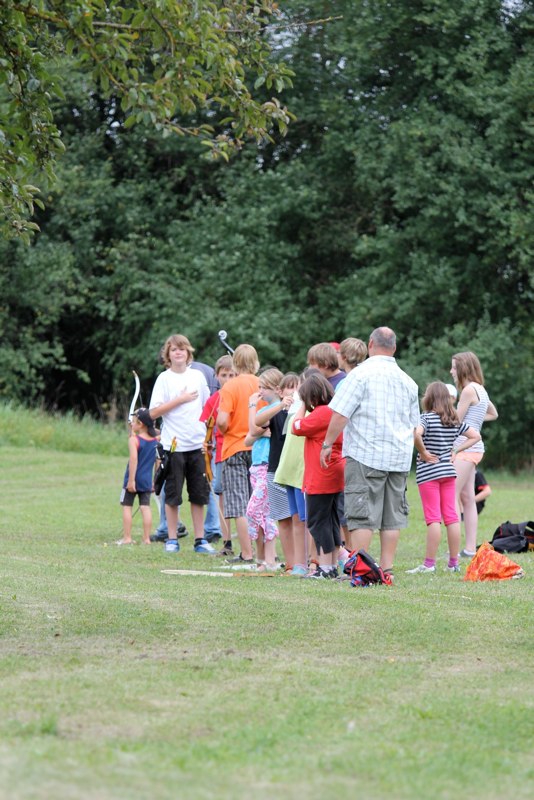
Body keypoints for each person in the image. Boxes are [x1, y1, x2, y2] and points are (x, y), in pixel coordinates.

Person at [320, 327, 419, 578]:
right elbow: (415, 425)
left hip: (366, 454)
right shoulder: (408, 381)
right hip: (398, 457)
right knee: (392, 517)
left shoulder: (359, 375)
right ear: (394, 347)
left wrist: (327, 443)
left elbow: (341, 413)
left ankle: (361, 570)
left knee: (361, 515)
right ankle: (387, 569)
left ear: (370, 344)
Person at [149, 334, 215, 554]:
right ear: (168, 354)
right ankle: (171, 539)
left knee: (199, 495)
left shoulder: (197, 376)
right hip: (173, 446)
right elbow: (153, 412)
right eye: (174, 349)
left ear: (188, 353)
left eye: (182, 349)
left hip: (197, 444)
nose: (178, 353)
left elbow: (207, 408)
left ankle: (200, 540)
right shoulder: (164, 379)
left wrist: (209, 437)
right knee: (172, 495)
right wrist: (180, 399)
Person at [406, 382, 481, 574]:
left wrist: (423, 452)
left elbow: (416, 434)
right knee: (452, 517)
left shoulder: (426, 418)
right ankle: (453, 564)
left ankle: (429, 564)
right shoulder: (452, 420)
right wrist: (456, 450)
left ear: (429, 398)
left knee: (433, 519)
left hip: (429, 474)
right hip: (448, 472)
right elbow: (475, 436)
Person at [292, 374, 345, 578]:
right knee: (331, 521)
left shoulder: (321, 413)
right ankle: (331, 565)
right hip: (334, 474)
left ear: (311, 397)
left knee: (318, 522)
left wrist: (302, 406)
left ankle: (324, 568)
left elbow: (296, 427)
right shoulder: (334, 411)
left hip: (321, 476)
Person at [450, 351, 498, 557]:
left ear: (463, 368)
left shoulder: (468, 390)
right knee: (468, 498)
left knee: (451, 496)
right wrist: (474, 421)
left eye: (454, 367)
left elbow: (455, 421)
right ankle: (469, 549)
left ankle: (453, 553)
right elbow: (493, 413)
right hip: (474, 449)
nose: (451, 371)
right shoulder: (480, 389)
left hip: (464, 450)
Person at [216, 344, 260, 563]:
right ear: (255, 362)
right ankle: (265, 552)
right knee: (258, 502)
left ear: (235, 363)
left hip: (234, 447)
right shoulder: (262, 383)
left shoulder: (230, 387)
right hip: (259, 447)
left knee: (239, 503)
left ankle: (247, 553)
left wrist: (225, 429)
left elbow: (222, 420)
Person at [254, 371, 300, 573]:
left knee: (300, 519)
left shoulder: (304, 411)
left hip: (298, 471)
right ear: (280, 392)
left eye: (298, 387)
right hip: (276, 471)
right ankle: (291, 563)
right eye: (290, 387)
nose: (294, 392)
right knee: (284, 519)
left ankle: (304, 562)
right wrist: (281, 405)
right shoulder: (276, 412)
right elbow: (258, 421)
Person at [244, 372, 281, 572]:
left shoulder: (274, 410)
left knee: (253, 510)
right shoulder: (266, 410)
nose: (260, 391)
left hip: (267, 465)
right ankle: (265, 561)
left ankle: (269, 558)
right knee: (264, 514)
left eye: (263, 387)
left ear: (276, 388)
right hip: (257, 465)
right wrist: (259, 433)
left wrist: (251, 406)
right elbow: (248, 439)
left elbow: (253, 428)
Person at [199, 355, 236, 545]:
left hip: (242, 449)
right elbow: (206, 427)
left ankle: (253, 543)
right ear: (216, 376)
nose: (228, 380)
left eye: (232, 375)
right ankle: (226, 541)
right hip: (221, 452)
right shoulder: (214, 400)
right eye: (224, 375)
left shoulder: (241, 395)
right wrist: (207, 444)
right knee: (221, 495)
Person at [117, 408, 159, 545]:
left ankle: (127, 538)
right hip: (147, 480)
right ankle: (146, 539)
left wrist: (131, 480)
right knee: (145, 507)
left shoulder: (134, 440)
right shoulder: (156, 440)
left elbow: (133, 459)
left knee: (127, 506)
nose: (131, 424)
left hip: (133, 478)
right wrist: (154, 480)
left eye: (134, 422)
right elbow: (157, 461)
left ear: (141, 424)